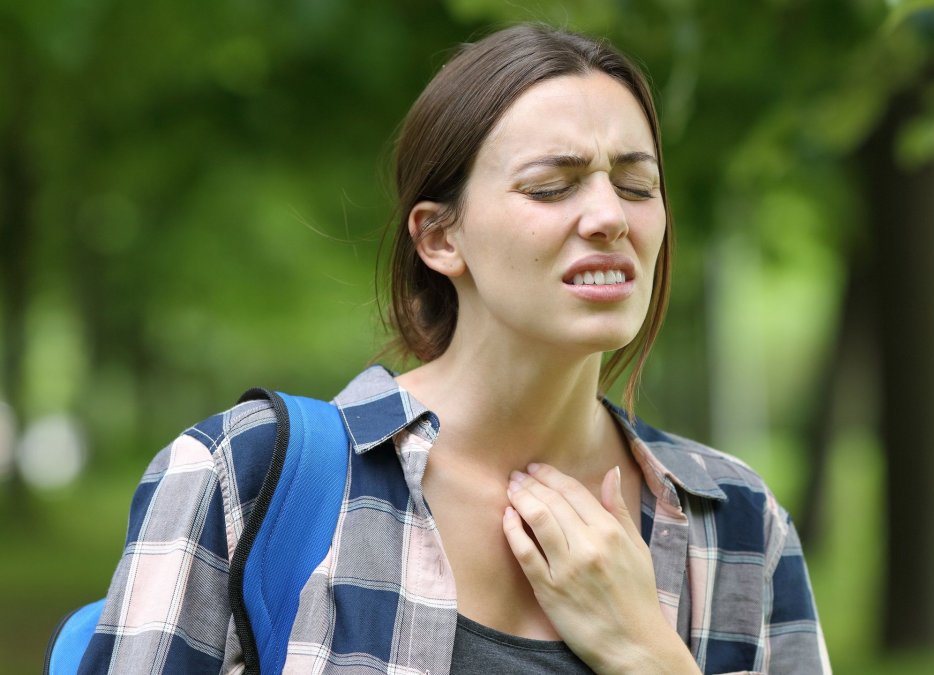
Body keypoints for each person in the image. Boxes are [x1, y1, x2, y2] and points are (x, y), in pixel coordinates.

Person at [78, 23, 830, 674]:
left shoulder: (739, 525)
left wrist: (650, 655)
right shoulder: (238, 480)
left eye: (636, 186)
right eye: (552, 186)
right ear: (440, 237)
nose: (609, 216)